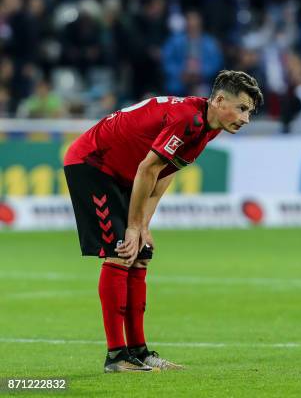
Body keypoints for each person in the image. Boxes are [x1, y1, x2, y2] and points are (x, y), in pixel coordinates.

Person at [63, 70, 263, 372]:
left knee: (141, 253)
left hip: (122, 173)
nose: (246, 119)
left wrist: (143, 226)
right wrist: (132, 226)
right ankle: (116, 356)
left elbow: (163, 174)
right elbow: (147, 168)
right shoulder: (188, 119)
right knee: (121, 252)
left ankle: (139, 352)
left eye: (250, 112)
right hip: (92, 164)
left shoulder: (210, 126)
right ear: (220, 100)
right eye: (243, 108)